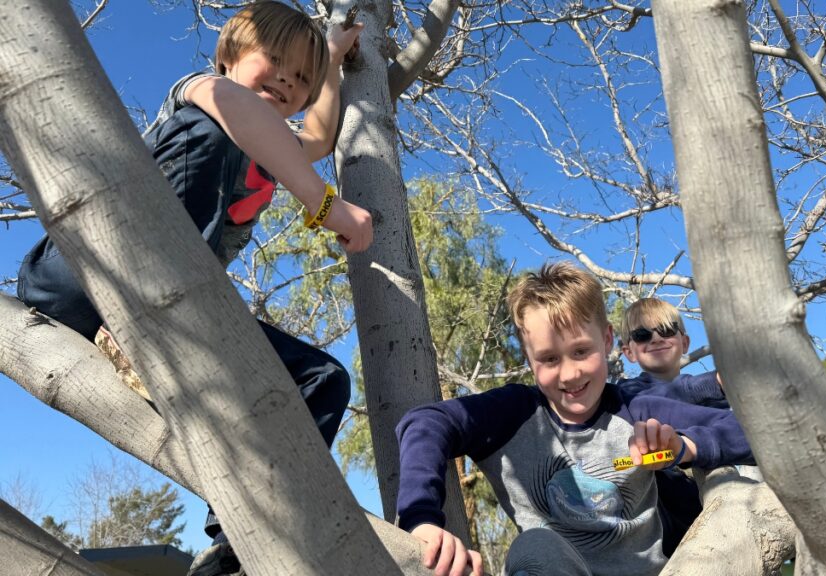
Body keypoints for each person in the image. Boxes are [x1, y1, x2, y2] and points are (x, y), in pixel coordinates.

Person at [16, 3, 367, 575]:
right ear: (228, 57)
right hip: (78, 278)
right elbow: (236, 108)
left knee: (323, 380)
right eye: (274, 60)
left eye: (300, 78)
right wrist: (326, 205)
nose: (287, 79)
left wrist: (328, 57)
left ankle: (233, 544)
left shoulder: (275, 144)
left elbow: (321, 138)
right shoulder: (202, 93)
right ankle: (145, 336)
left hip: (172, 322)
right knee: (216, 134)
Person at [395, 262, 753, 576]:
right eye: (549, 359)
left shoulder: (634, 408)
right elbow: (425, 423)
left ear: (608, 340)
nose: (568, 374)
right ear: (529, 358)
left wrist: (684, 447)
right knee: (536, 546)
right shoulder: (512, 414)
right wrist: (421, 520)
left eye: (581, 351)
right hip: (551, 567)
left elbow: (752, 430)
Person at [616, 297, 732, 554]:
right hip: (665, 535)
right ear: (629, 352)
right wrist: (715, 382)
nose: (656, 339)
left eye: (667, 330)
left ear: (685, 342)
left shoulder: (714, 400)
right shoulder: (627, 394)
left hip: (721, 515)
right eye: (643, 335)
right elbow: (666, 398)